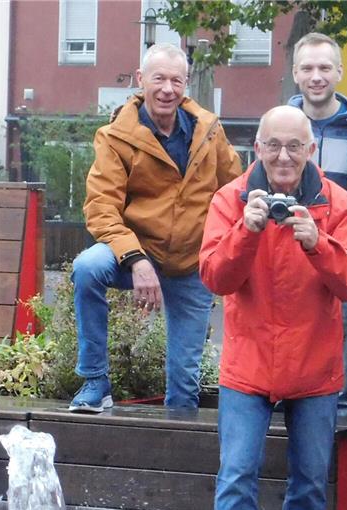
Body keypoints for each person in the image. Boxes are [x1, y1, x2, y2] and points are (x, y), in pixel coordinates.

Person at [200, 106, 347, 510]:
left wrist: (318, 243)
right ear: (257, 148)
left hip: (314, 363)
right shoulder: (230, 199)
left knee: (311, 479)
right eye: (273, 145)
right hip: (248, 363)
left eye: (295, 146)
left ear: (311, 150)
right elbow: (215, 278)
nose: (283, 156)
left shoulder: (337, 202)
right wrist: (245, 231)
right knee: (236, 476)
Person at [68, 42, 241, 412]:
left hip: (191, 263)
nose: (167, 89)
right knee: (87, 268)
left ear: (186, 83)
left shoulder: (209, 132)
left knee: (184, 387)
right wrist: (135, 259)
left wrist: (223, 251)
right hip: (134, 253)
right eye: (158, 78)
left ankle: (178, 443)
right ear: (140, 79)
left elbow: (234, 192)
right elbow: (101, 208)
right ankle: (95, 381)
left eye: (176, 80)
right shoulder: (115, 137)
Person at [287, 31, 347, 417]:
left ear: (340, 71)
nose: (316, 77)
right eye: (307, 68)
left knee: (345, 331)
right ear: (295, 73)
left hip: (342, 251)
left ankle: (342, 411)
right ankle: (289, 406)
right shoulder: (283, 124)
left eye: (325, 68)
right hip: (289, 256)